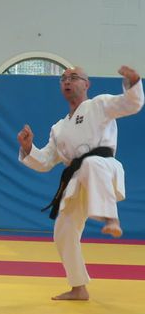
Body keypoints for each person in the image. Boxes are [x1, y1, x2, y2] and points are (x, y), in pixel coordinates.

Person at [17, 65, 144, 301]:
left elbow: (131, 104)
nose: (68, 81)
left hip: (103, 169)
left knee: (91, 164)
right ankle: (79, 287)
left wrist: (134, 83)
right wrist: (28, 148)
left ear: (87, 84)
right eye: (64, 79)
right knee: (63, 231)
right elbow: (45, 161)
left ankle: (110, 217)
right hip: (77, 179)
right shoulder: (58, 127)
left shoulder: (100, 104)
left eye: (74, 78)